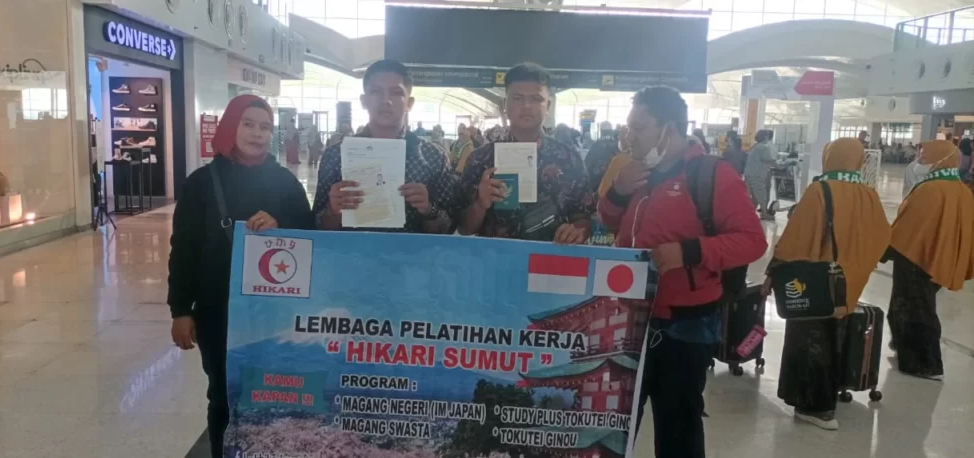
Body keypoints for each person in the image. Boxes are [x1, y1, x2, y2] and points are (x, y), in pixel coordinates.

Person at [599, 86, 766, 457]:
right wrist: (618, 192)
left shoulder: (711, 175)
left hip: (685, 325)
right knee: (615, 423)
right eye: (628, 127)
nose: (629, 136)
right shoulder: (634, 171)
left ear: (669, 129)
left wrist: (690, 251)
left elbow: (753, 242)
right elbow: (610, 221)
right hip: (626, 317)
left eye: (638, 127)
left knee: (678, 426)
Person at [167, 95, 315, 458]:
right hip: (219, 309)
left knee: (275, 393)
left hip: (275, 314)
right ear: (231, 126)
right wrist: (181, 310)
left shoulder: (285, 182)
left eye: (265, 127)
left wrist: (282, 222)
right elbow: (184, 248)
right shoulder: (202, 183)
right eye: (248, 124)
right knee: (223, 394)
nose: (257, 133)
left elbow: (310, 233)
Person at [765, 138, 890, 431]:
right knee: (837, 337)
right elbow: (883, 237)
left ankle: (816, 407)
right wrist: (857, 265)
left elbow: (797, 238)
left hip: (816, 284)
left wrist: (775, 270)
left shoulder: (820, 190)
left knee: (812, 340)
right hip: (849, 283)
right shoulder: (869, 194)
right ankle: (832, 391)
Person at [313, 60, 456, 234]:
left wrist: (428, 209)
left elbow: (448, 230)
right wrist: (333, 211)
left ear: (409, 103)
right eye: (376, 92)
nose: (386, 100)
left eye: (396, 92)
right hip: (353, 251)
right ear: (364, 101)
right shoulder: (336, 155)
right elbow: (317, 228)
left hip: (413, 252)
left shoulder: (433, 157)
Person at [457, 62, 593, 242]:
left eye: (536, 99)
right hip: (494, 257)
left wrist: (577, 231)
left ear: (548, 105)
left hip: (549, 257)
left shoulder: (569, 159)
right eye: (517, 98)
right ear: (505, 104)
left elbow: (584, 218)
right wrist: (480, 204)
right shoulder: (480, 160)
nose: (527, 105)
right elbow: (463, 228)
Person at [887, 140, 974, 381]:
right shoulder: (962, 190)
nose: (920, 160)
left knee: (915, 310)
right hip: (938, 257)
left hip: (915, 258)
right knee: (917, 306)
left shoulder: (930, 189)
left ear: (940, 160)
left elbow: (909, 226)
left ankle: (925, 364)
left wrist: (886, 244)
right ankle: (904, 349)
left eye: (926, 157)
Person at [744, 129, 777, 220]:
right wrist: (779, 164)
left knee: (753, 196)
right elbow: (768, 159)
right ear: (765, 136)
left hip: (749, 174)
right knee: (761, 194)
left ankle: (750, 213)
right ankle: (764, 214)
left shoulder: (755, 146)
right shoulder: (763, 147)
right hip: (757, 174)